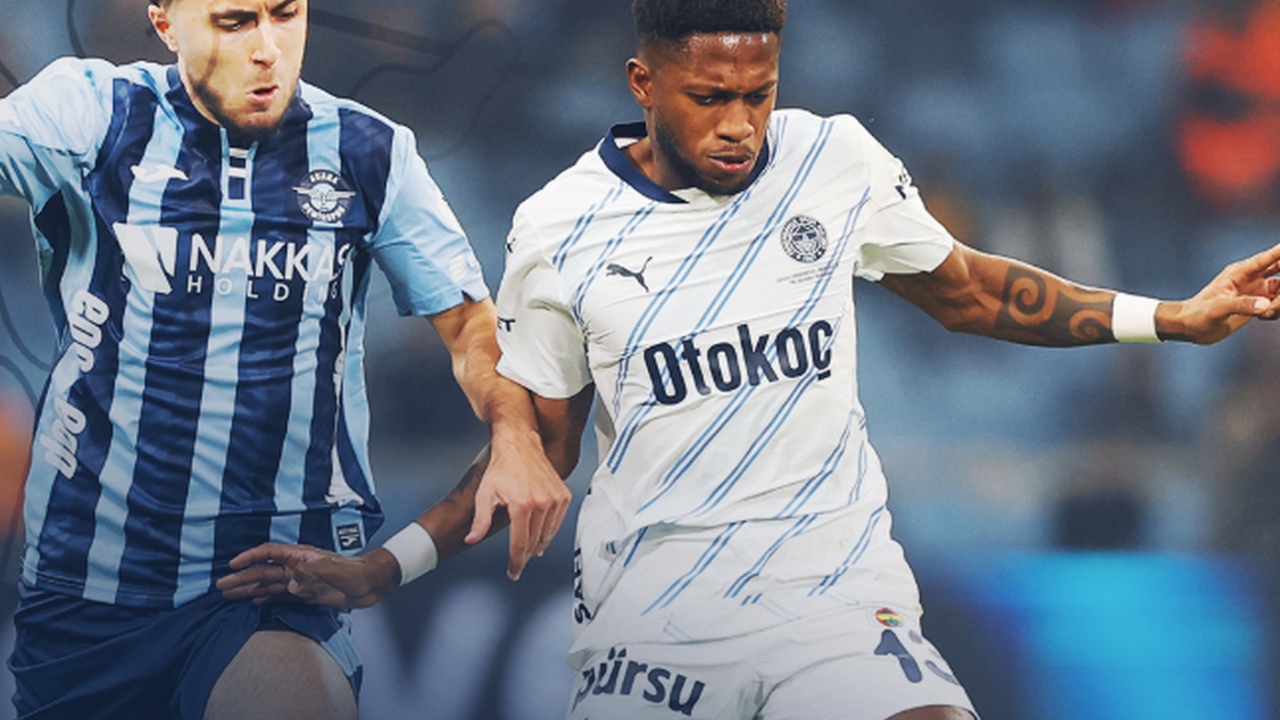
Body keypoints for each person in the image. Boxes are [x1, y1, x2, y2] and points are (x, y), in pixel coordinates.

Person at [218, 1, 1280, 718]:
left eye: (757, 93)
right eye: (708, 98)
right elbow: (533, 455)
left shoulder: (832, 160)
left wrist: (1168, 317)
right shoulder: (560, 228)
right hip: (654, 628)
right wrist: (384, 567)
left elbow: (969, 291)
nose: (739, 125)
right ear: (643, 81)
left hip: (831, 597)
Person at [0, 0, 571, 718]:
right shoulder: (90, 113)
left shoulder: (369, 151)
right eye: (235, 21)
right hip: (87, 592)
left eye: (285, 14)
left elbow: (471, 332)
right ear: (166, 24)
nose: (268, 47)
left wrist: (511, 434)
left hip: (267, 588)